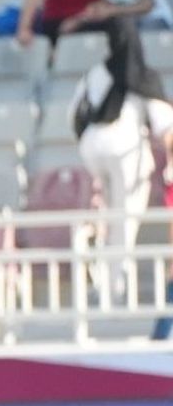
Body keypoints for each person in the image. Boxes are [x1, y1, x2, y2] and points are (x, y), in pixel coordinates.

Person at [73, 18, 173, 303]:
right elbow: (166, 125)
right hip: (125, 151)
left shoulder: (95, 72)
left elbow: (75, 113)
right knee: (125, 219)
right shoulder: (142, 76)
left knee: (103, 214)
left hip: (91, 147)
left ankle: (98, 267)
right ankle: (113, 287)